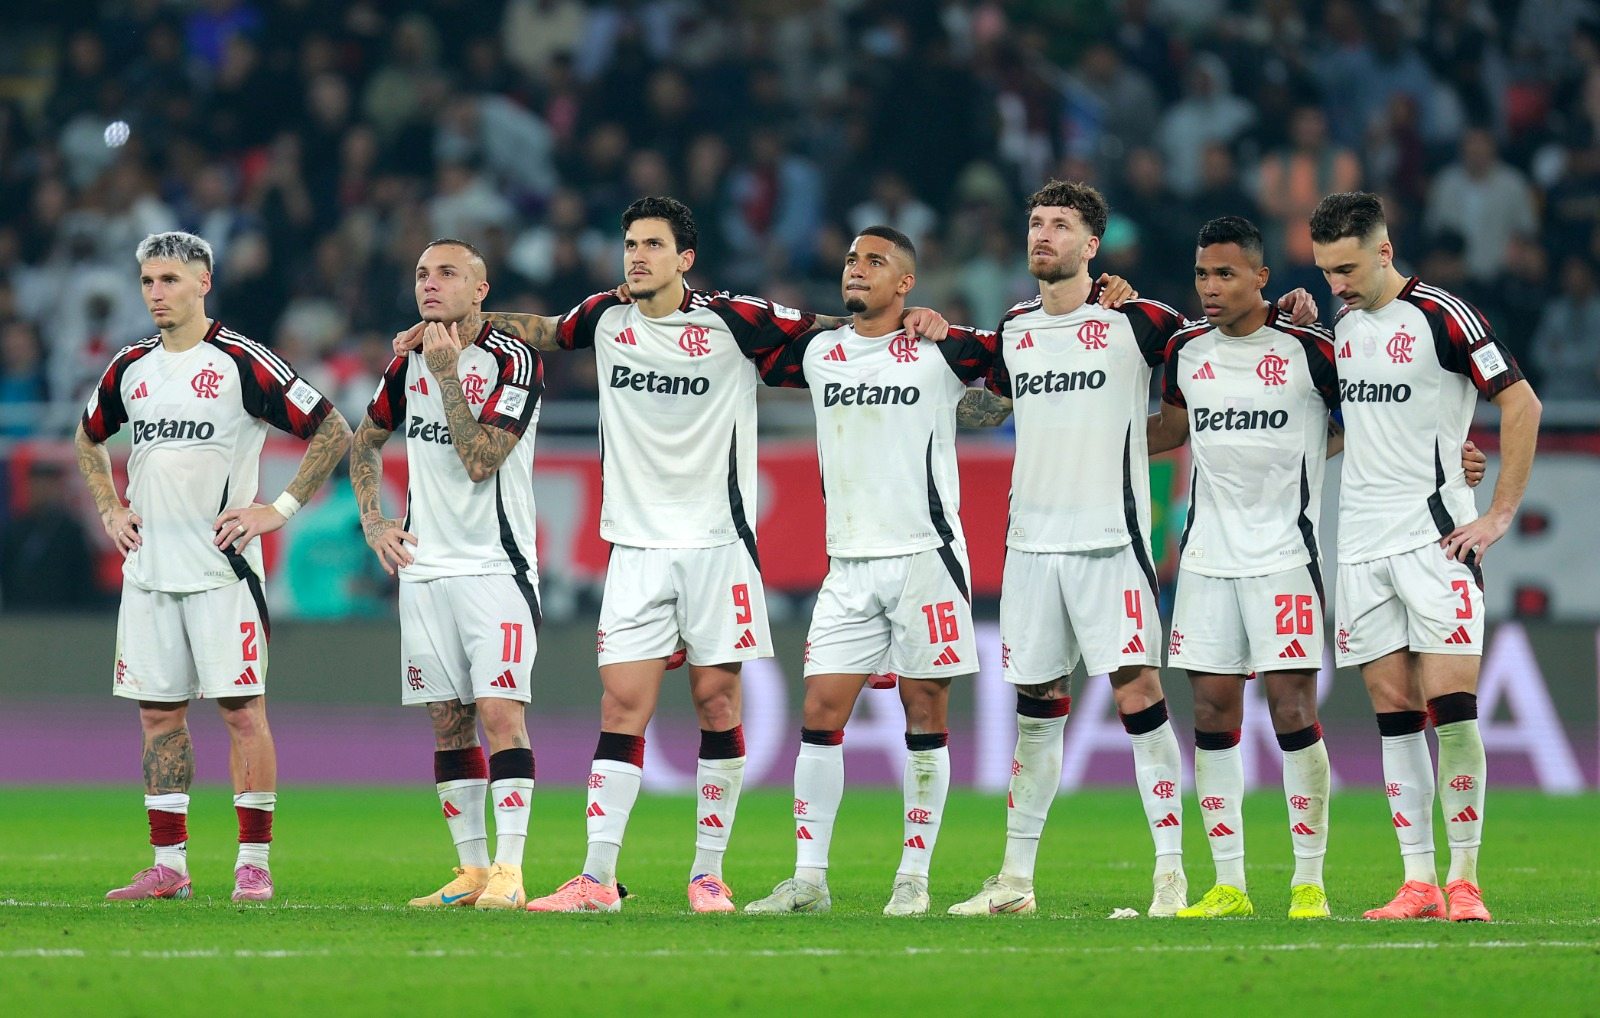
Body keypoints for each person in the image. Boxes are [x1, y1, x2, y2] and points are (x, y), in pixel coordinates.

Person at [396, 197, 947, 912]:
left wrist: (907, 319)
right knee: (621, 706)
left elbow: (827, 328)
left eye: (652, 245)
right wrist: (452, 323)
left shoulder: (733, 319)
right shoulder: (605, 316)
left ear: (685, 259)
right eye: (630, 244)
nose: (637, 256)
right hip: (635, 546)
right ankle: (597, 878)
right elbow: (545, 330)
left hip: (718, 544)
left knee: (717, 703)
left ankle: (708, 874)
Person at [947, 181, 1317, 918]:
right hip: (1030, 546)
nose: (1042, 235)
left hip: (1112, 542)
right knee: (1035, 708)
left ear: (1092, 245)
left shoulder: (1139, 320)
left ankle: (1170, 877)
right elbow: (985, 406)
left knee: (1138, 694)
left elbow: (1222, 337)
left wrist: (1285, 311)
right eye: (1035, 223)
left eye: (1060, 225)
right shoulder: (1015, 328)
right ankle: (1015, 881)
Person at [75, 231, 351, 902]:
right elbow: (87, 437)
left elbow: (332, 428)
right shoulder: (130, 366)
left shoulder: (239, 361)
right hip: (149, 571)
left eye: (169, 280)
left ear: (204, 282)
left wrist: (277, 509)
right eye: (148, 281)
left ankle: (253, 862)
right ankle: (169, 865)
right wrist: (110, 506)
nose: (156, 293)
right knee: (158, 718)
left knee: (242, 713)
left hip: (222, 572)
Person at [740, 227, 1001, 916]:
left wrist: (944, 328)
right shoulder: (820, 352)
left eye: (874, 262)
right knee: (820, 711)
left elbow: (1017, 362)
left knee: (925, 711)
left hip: (926, 555)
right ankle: (809, 881)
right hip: (848, 562)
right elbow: (756, 348)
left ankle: (913, 877)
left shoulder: (941, 349)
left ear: (906, 283)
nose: (856, 268)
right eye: (852, 259)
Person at [1309, 191, 1541, 923]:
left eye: (1347, 269)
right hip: (1360, 546)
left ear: (1384, 251)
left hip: (1436, 540)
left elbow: (1522, 404)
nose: (1336, 285)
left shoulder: (1443, 316)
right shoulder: (1344, 326)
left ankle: (1465, 880)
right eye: (1325, 271)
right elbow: (1355, 427)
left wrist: (1497, 513)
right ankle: (1418, 883)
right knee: (1395, 715)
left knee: (1453, 711)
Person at [1148, 216, 1342, 920]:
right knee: (1211, 711)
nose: (1210, 287)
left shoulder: (1310, 349)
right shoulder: (1185, 350)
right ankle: (1229, 884)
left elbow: (1369, 420)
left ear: (1261, 277)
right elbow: (1172, 429)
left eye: (1226, 274)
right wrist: (1083, 438)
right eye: (1202, 273)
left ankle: (1308, 883)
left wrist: (1452, 454)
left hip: (1285, 557)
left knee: (1292, 710)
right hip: (1205, 559)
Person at [349, 239, 544, 911]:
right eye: (421, 274)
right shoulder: (405, 362)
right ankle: (471, 871)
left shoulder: (514, 361)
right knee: (447, 721)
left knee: (499, 713)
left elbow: (481, 460)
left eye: (447, 273)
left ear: (480, 290)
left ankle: (511, 871)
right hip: (425, 567)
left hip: (495, 566)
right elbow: (366, 441)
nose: (429, 284)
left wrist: (448, 374)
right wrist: (374, 521)